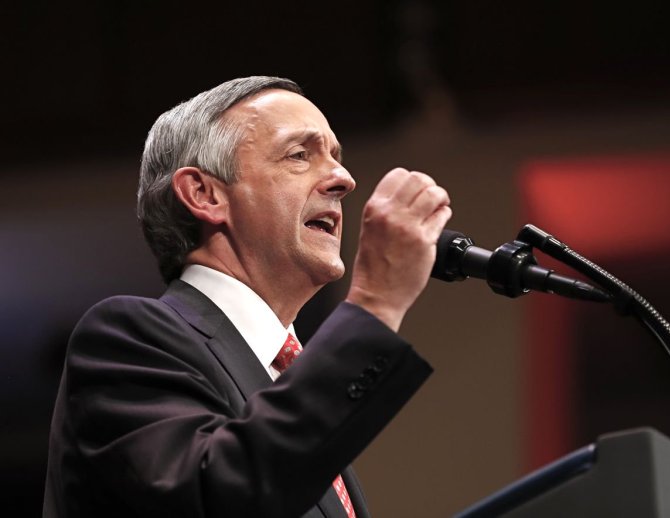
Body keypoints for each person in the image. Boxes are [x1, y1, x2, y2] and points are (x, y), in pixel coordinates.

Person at [44, 76, 451, 518]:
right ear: (204, 194)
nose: (344, 179)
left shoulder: (293, 376)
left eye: (335, 157)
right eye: (300, 155)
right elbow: (220, 496)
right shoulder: (128, 340)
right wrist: (376, 303)